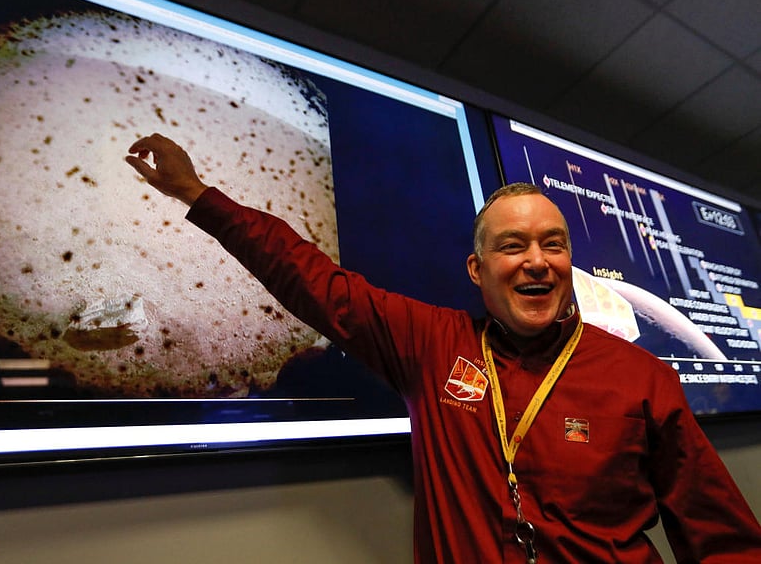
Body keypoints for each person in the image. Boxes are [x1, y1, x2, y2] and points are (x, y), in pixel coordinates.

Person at [125, 133, 761, 563]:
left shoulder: (640, 376)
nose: (537, 262)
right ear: (477, 270)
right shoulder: (433, 345)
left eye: (555, 244)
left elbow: (721, 535)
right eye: (512, 246)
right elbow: (313, 279)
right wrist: (197, 195)